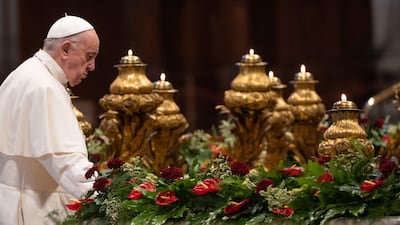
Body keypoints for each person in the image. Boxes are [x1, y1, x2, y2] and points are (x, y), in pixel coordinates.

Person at [0, 15, 100, 225]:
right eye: (89, 56)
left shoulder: (24, 73)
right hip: (34, 209)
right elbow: (67, 164)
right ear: (65, 49)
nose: (92, 67)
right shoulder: (43, 86)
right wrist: (108, 195)